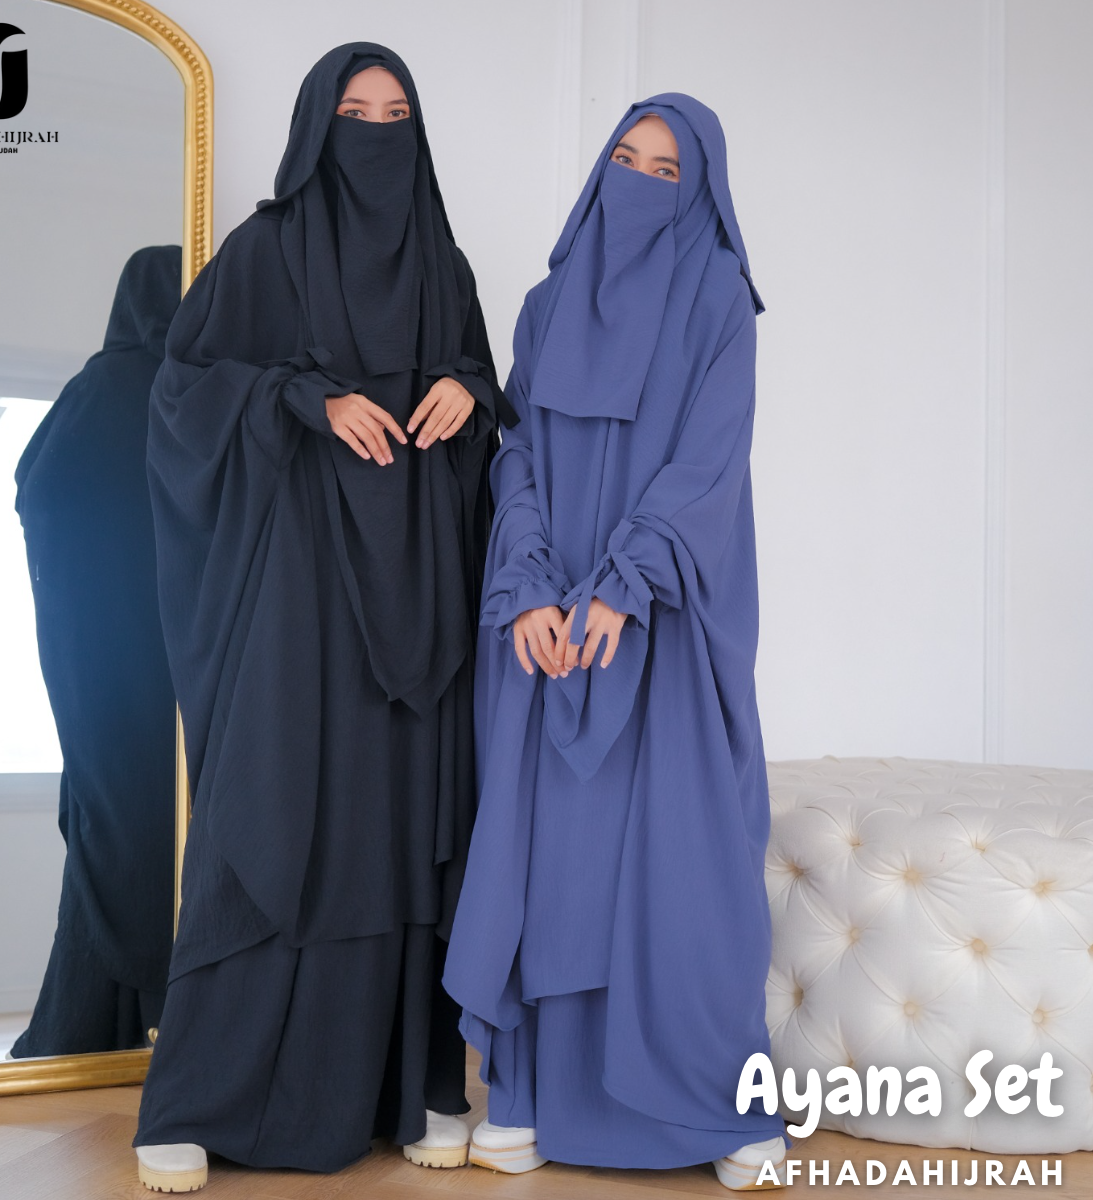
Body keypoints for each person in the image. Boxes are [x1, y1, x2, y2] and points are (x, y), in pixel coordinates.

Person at [131, 44, 514, 1192]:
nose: (376, 134)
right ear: (315, 127)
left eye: (397, 116)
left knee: (398, 829)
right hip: (299, 589)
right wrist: (305, 395)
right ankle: (197, 1100)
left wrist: (468, 390)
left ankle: (416, 1088)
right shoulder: (265, 250)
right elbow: (182, 393)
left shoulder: (444, 264)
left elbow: (485, 399)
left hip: (421, 599)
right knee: (274, 811)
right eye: (355, 112)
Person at [441, 94, 790, 1189]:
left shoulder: (721, 297)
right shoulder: (546, 306)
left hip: (667, 611)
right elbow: (516, 454)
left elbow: (711, 459)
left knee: (686, 857)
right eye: (625, 161)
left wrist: (628, 583)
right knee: (554, 857)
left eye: (667, 171)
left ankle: (716, 1107)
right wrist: (529, 587)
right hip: (548, 621)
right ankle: (534, 1096)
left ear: (702, 193)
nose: (641, 182)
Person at [11, 244, 181, 1059]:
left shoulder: (91, 392)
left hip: (94, 658)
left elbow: (34, 494)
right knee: (144, 824)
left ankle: (102, 1028)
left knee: (110, 822)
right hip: (146, 653)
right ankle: (153, 1020)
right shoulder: (158, 395)